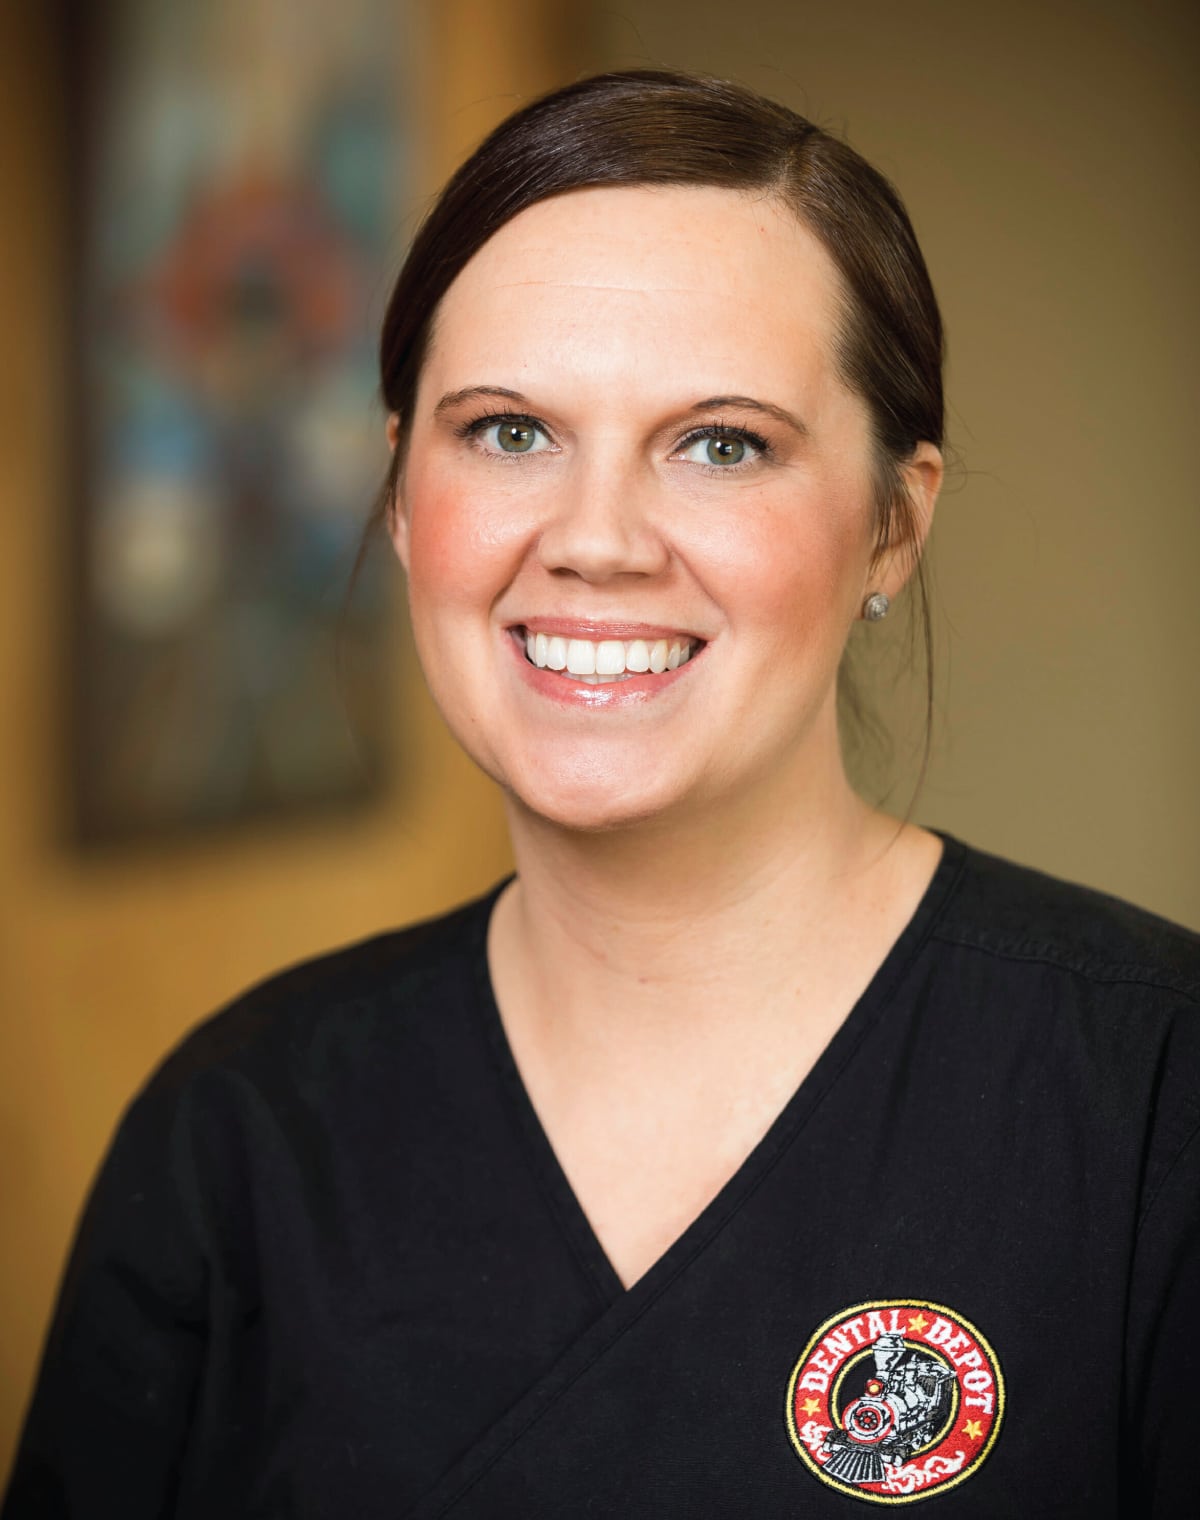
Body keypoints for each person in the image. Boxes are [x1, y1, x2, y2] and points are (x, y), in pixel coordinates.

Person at [4, 69, 1198, 1519]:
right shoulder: (238, 1135)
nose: (597, 540)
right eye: (510, 431)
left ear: (894, 522)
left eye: (721, 443)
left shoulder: (1150, 1095)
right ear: (398, 494)